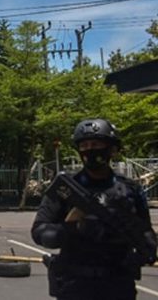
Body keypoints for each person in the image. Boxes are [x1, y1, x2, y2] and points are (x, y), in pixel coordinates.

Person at [32, 119, 157, 300]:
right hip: (75, 284)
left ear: (112, 149)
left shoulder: (130, 190)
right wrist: (72, 229)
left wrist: (146, 248)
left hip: (118, 283)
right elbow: (39, 231)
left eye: (96, 144)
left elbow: (145, 229)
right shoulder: (66, 189)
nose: (90, 150)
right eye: (85, 146)